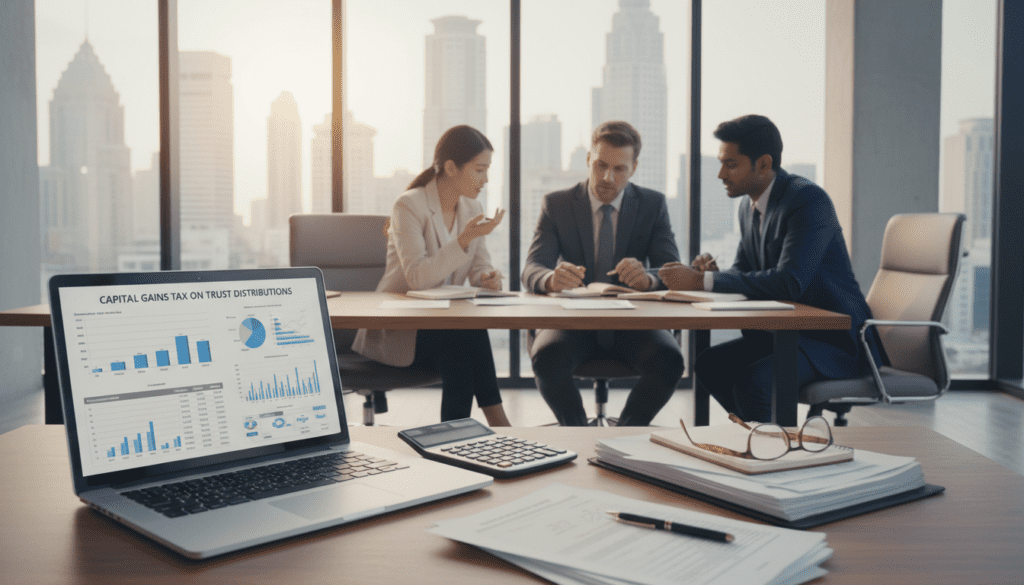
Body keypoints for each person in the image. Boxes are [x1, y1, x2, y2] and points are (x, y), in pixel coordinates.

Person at [658, 114, 886, 423]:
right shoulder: (748, 206)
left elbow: (789, 283)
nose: (721, 174)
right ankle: (757, 437)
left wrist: (704, 281)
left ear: (763, 164)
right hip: (784, 335)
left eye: (731, 164)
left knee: (756, 382)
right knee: (710, 364)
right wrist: (713, 274)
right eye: (721, 163)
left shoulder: (807, 200)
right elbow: (744, 268)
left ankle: (773, 454)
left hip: (832, 343)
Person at [522, 120, 684, 426]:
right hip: (574, 322)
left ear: (634, 168)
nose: (607, 177)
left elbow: (670, 270)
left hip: (634, 323)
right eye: (600, 165)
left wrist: (648, 279)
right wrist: (550, 279)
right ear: (588, 161)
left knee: (670, 361)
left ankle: (626, 433)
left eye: (619, 169)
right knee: (547, 358)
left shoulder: (652, 205)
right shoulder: (556, 204)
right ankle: (578, 432)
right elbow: (532, 267)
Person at [352, 125, 511, 426]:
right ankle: (493, 422)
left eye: (487, 170)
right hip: (401, 329)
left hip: (445, 326)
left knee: (463, 335)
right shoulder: (409, 205)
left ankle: (459, 435)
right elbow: (417, 278)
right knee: (462, 338)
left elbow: (478, 265)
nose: (486, 179)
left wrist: (487, 277)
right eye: (479, 170)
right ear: (451, 167)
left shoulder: (472, 207)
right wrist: (462, 241)